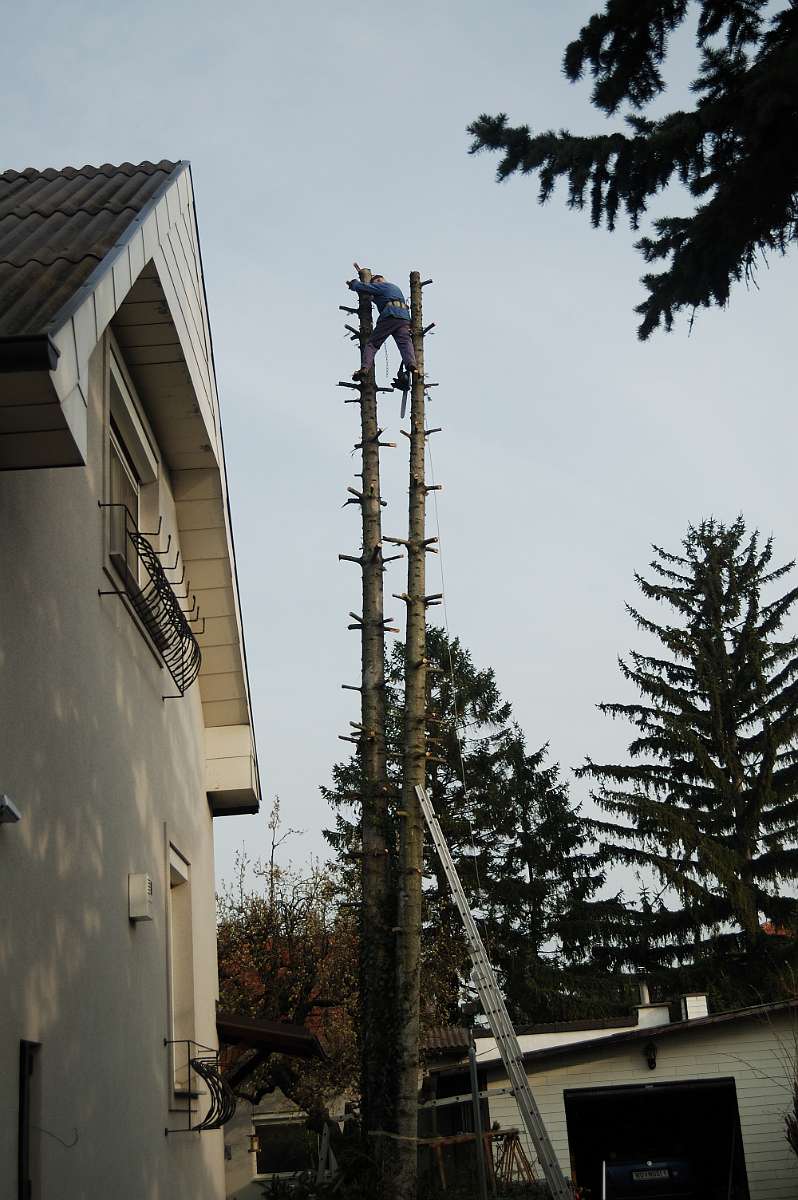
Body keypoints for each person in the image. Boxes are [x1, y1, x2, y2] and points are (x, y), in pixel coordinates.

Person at [346, 262, 417, 386]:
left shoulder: (382, 286)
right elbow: (378, 298)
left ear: (379, 281)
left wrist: (354, 284)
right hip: (404, 319)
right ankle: (412, 365)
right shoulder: (395, 289)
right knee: (405, 343)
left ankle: (364, 368)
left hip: (389, 316)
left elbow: (365, 288)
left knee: (372, 344)